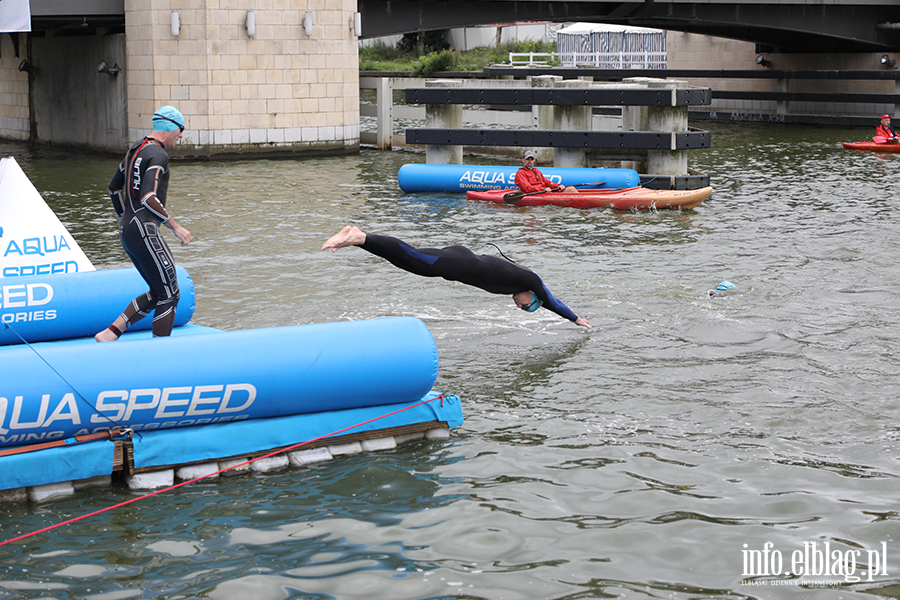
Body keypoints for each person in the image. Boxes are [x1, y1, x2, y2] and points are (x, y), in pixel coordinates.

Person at [322, 226, 591, 329]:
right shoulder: (532, 281)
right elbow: (552, 301)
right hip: (460, 261)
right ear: (533, 296)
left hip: (455, 265)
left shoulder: (515, 288)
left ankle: (357, 240)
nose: (520, 306)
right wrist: (576, 319)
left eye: (522, 309)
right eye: (527, 305)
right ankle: (361, 236)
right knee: (413, 256)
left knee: (408, 264)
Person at [95, 105, 193, 342]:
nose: (181, 136)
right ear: (170, 127)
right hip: (143, 229)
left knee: (160, 291)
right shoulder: (158, 154)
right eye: (180, 130)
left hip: (128, 230)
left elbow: (113, 189)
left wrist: (125, 218)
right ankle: (161, 352)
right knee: (170, 294)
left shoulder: (134, 150)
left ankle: (111, 332)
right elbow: (149, 197)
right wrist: (175, 226)